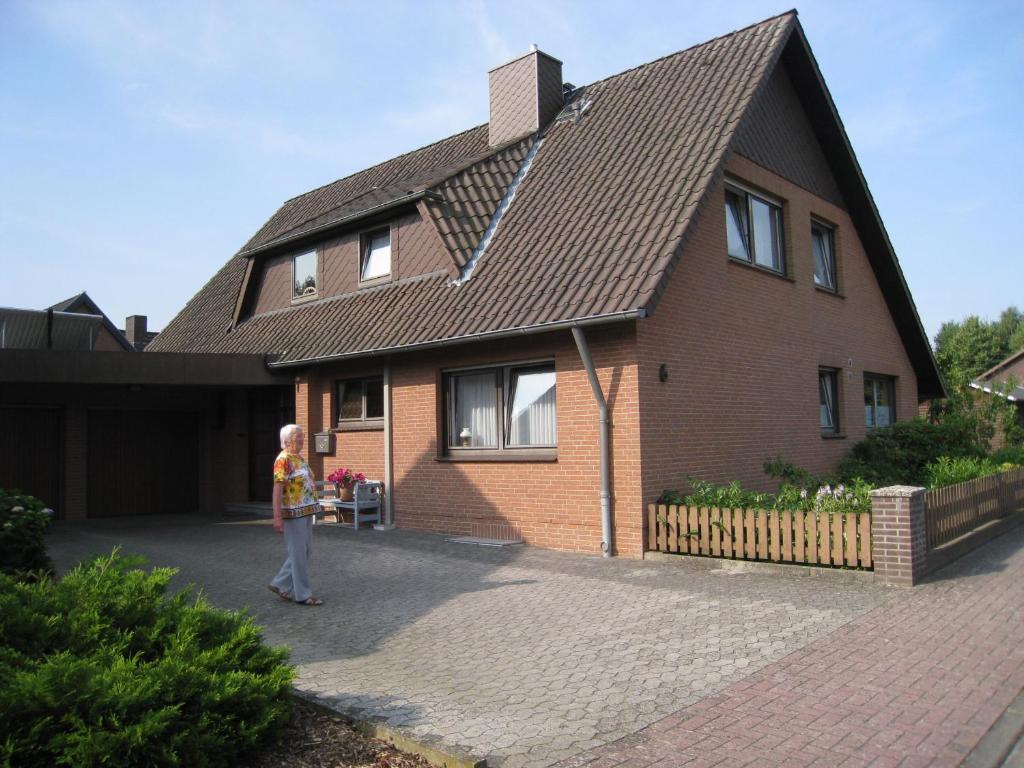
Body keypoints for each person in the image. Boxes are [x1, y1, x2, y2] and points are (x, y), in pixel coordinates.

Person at [268, 424, 323, 606]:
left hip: (306, 511)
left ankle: (280, 583)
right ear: (287, 440)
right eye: (298, 436)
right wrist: (277, 517)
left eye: (302, 436)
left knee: (305, 551)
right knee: (298, 553)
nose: (302, 439)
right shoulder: (282, 459)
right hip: (293, 513)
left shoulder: (298, 458)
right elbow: (278, 488)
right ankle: (303, 595)